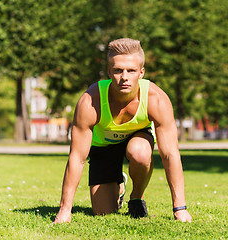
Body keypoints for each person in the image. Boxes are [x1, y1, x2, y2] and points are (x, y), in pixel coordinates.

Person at [53, 38, 192, 223]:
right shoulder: (90, 101)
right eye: (118, 70)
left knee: (140, 153)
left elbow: (170, 155)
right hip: (103, 147)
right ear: (109, 72)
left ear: (141, 73)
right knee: (104, 213)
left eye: (131, 71)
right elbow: (77, 158)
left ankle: (136, 197)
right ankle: (119, 186)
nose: (124, 77)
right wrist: (64, 210)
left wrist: (179, 209)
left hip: (138, 139)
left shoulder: (156, 99)